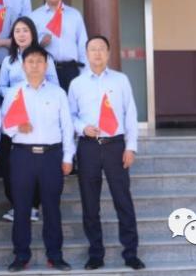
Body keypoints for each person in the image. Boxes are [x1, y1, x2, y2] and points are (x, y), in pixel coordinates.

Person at [69, 35, 144, 271]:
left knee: (123, 200)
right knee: (90, 204)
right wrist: (83, 127)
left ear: (109, 53)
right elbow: (70, 116)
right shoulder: (77, 84)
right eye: (93, 49)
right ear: (86, 54)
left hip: (115, 146)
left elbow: (130, 114)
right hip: (88, 146)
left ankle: (130, 253)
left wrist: (131, 146)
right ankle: (95, 254)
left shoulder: (121, 80)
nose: (97, 53)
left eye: (102, 48)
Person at [1, 46, 74, 272]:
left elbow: (67, 127)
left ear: (46, 65)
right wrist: (17, 127)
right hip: (22, 156)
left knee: (52, 208)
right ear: (23, 66)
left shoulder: (57, 93)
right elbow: (3, 125)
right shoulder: (14, 93)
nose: (34, 65)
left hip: (51, 156)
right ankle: (21, 256)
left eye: (39, 61)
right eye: (30, 61)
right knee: (21, 208)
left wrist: (68, 156)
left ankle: (55, 255)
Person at [0, 17, 57, 222]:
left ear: (33, 33)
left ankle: (33, 206)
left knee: (36, 162)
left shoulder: (46, 59)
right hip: (14, 115)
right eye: (17, 31)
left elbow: (55, 85)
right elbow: (1, 87)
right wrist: (18, 94)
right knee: (11, 163)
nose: (21, 34)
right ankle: (16, 204)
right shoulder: (9, 61)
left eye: (25, 30)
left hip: (39, 115)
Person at [31, 0, 88, 91]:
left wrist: (84, 71)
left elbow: (83, 44)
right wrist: (40, 44)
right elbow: (29, 45)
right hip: (46, 69)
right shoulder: (34, 16)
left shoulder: (74, 15)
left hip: (71, 69)